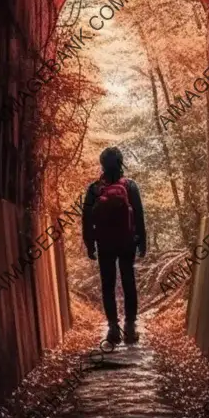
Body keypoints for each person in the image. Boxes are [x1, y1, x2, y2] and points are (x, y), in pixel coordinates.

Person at [82, 146, 146, 345]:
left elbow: (86, 219)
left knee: (108, 284)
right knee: (128, 281)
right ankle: (130, 327)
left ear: (102, 164)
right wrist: (141, 241)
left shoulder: (94, 189)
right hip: (126, 241)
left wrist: (89, 244)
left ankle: (112, 329)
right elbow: (138, 215)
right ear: (120, 162)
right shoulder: (130, 186)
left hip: (105, 243)